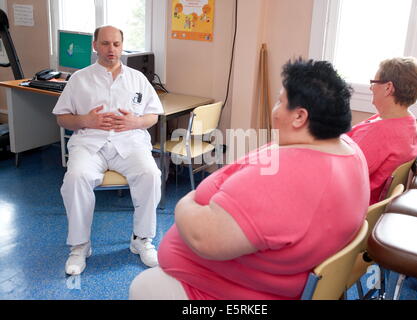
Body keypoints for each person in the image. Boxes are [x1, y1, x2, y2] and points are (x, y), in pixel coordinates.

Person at [129, 58, 370, 300]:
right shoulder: (349, 149)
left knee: (142, 287)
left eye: (280, 101)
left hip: (228, 292)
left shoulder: (288, 179)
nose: (275, 110)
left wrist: (186, 202)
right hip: (270, 277)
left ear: (299, 117)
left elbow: (203, 238)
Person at [53, 25, 163, 276]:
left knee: (151, 175)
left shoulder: (137, 78)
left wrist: (136, 122)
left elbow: (153, 115)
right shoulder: (79, 78)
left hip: (129, 141)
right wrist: (85, 121)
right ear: (95, 46)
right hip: (90, 143)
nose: (111, 49)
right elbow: (62, 118)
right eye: (105, 43)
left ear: (122, 46)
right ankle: (80, 246)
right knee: (76, 177)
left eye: (115, 44)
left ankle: (141, 239)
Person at [347, 57, 417, 204]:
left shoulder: (381, 134)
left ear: (388, 87)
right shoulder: (407, 122)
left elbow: (343, 175)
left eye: (374, 82)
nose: (371, 88)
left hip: (350, 203)